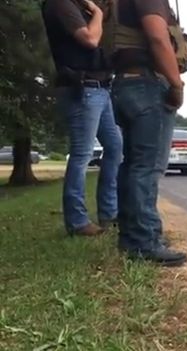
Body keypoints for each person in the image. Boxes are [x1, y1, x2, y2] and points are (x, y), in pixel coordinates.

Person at [109, 0, 187, 266]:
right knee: (148, 167)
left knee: (133, 164)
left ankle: (132, 237)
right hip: (147, 84)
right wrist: (176, 84)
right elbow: (157, 38)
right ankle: (145, 241)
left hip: (125, 82)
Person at [41, 0, 122, 236]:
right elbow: (89, 39)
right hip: (83, 88)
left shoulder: (77, 6)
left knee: (116, 147)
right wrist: (96, 12)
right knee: (82, 153)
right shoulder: (61, 4)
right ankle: (77, 221)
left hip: (100, 87)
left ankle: (109, 212)